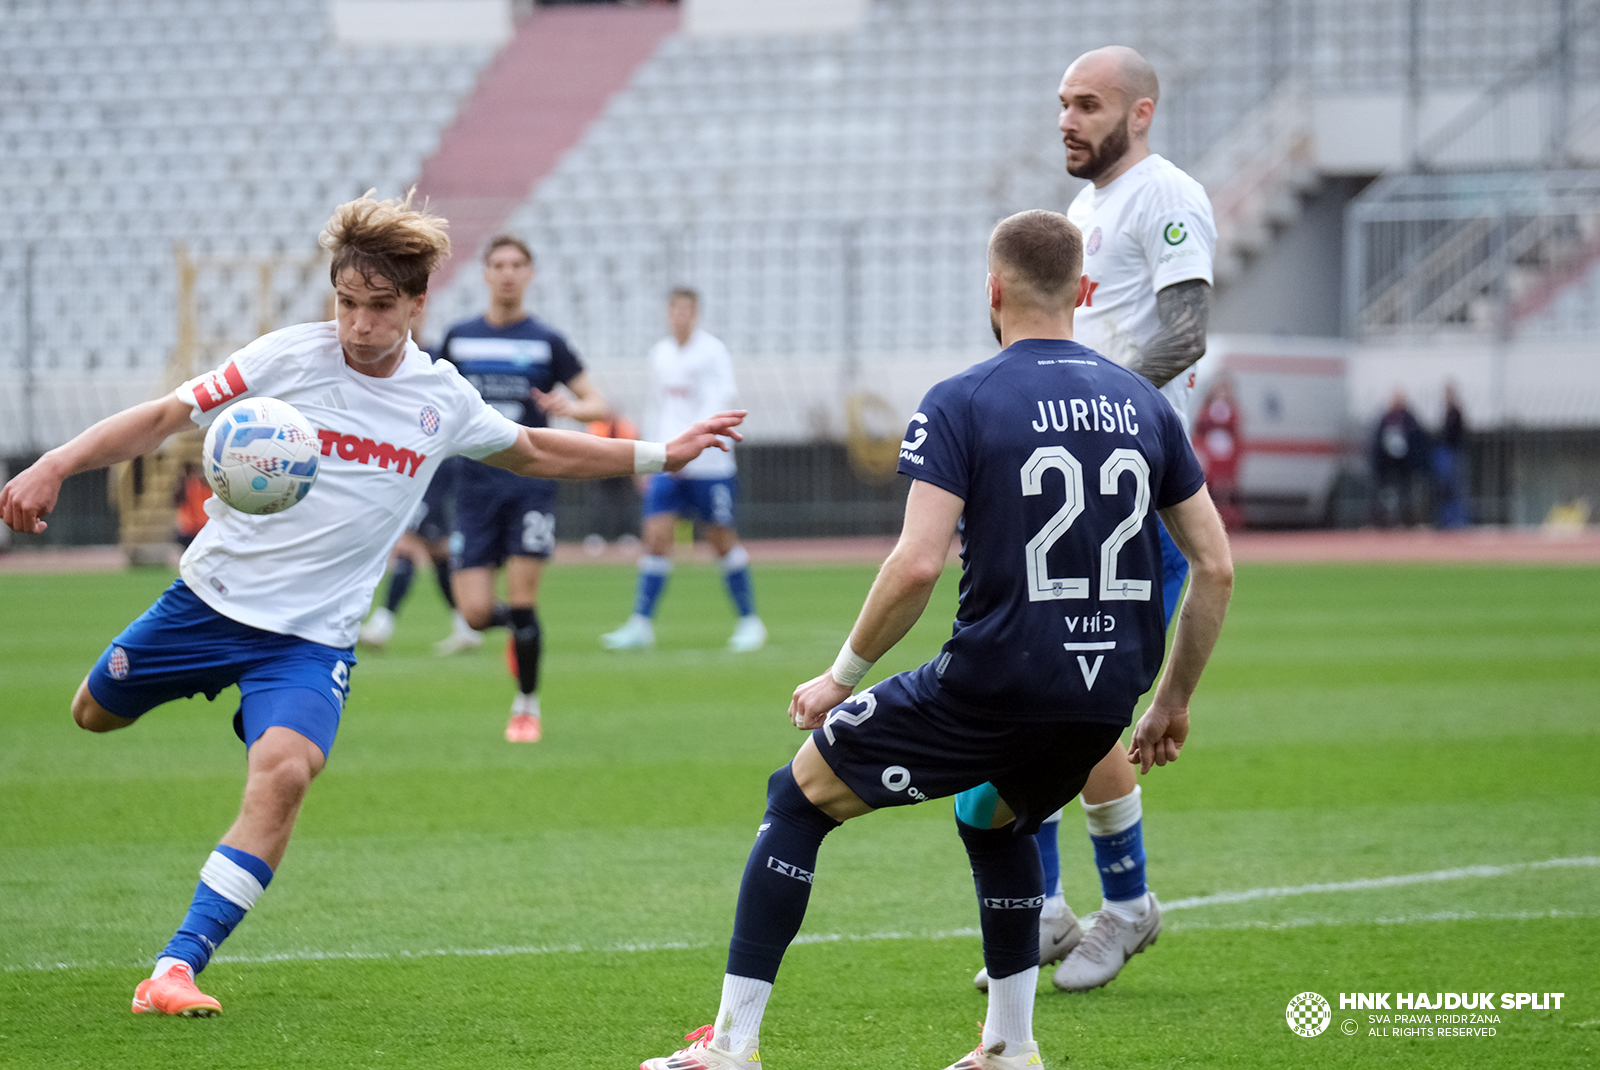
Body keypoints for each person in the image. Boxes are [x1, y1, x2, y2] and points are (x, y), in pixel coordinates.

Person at [0, 191, 744, 1019]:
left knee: (284, 775)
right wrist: (55, 465)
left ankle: (176, 968)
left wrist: (657, 453)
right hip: (207, 603)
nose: (358, 325)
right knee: (91, 716)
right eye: (346, 304)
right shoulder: (288, 357)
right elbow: (168, 416)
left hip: (310, 643)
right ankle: (188, 696)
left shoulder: (442, 399)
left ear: (419, 303)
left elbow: (532, 448)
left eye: (379, 307)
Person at [640, 210, 1232, 1070]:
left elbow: (917, 566)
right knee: (993, 818)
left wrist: (841, 675)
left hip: (995, 682)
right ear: (1086, 292)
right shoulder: (1146, 404)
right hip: (1105, 698)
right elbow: (1214, 567)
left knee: (796, 798)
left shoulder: (964, 399)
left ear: (992, 290)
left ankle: (730, 1047)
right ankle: (1009, 1046)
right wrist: (1170, 702)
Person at [966, 44, 1218, 996]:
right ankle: (1053, 910)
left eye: (1086, 104)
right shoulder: (1081, 214)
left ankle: (1125, 908)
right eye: (1061, 104)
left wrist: (1091, 405)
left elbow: (1186, 330)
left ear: (1140, 112)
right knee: (1040, 696)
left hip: (1136, 493)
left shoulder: (1167, 196)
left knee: (1082, 705)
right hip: (1074, 482)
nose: (1066, 120)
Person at [438, 235, 612, 742]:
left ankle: (526, 706)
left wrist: (571, 410)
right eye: (498, 264)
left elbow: (596, 401)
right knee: (472, 611)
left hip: (530, 486)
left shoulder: (546, 341)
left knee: (522, 598)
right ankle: (519, 630)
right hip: (473, 487)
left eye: (517, 265)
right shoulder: (459, 338)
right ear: (485, 274)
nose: (508, 273)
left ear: (530, 273)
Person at [601, 288, 766, 653]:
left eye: (686, 310)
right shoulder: (660, 354)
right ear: (667, 313)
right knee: (656, 537)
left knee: (720, 538)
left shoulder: (712, 352)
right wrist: (651, 455)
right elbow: (657, 407)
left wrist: (689, 449)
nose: (680, 316)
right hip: (666, 459)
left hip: (709, 464)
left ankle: (749, 621)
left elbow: (719, 401)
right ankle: (641, 624)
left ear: (696, 314)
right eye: (674, 309)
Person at [1371, 388, 1426, 527]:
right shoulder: (1386, 417)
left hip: (1404, 462)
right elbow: (1378, 440)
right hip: (1387, 462)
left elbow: (1416, 439)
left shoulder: (1408, 418)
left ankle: (1407, 520)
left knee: (1405, 492)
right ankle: (1383, 520)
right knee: (1384, 492)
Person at [1433, 382, 1468, 529]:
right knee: (1446, 490)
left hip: (1451, 453)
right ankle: (1448, 521)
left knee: (1454, 489)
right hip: (1447, 453)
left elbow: (1455, 435)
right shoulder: (1450, 412)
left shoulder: (1454, 412)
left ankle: (1457, 521)